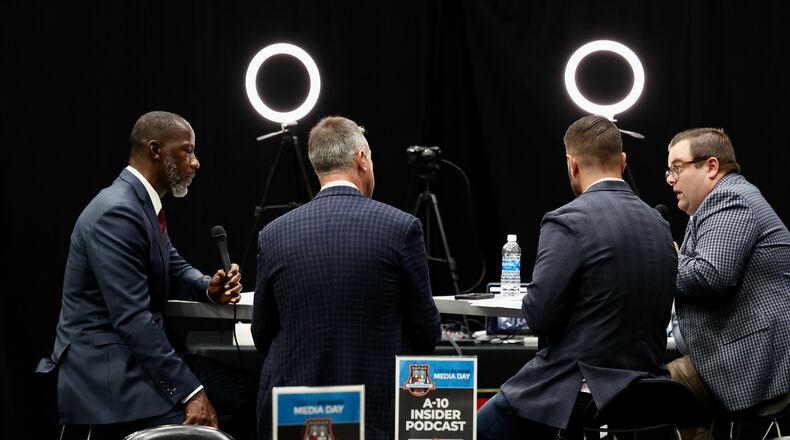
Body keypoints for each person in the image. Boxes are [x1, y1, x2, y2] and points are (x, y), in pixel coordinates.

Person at [36, 111, 256, 440]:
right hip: (110, 374)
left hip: (135, 358)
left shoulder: (140, 202)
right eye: (187, 150)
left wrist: (208, 288)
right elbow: (133, 319)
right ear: (156, 150)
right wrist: (191, 392)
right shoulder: (117, 211)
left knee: (248, 391)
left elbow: (172, 263)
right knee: (212, 411)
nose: (196, 163)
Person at [477, 115, 677, 439]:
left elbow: (540, 315)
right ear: (623, 161)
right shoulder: (659, 225)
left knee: (479, 428)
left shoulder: (567, 221)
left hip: (578, 386)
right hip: (647, 386)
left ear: (571, 164)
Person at [251, 116, 442, 440]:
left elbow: (261, 332)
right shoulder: (400, 227)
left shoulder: (273, 234)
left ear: (318, 166)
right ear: (361, 159)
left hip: (292, 416)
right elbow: (426, 333)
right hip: (377, 413)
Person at [664, 128, 790, 422]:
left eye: (677, 168)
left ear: (710, 166)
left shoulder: (730, 198)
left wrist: (662, 260)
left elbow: (709, 277)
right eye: (669, 171)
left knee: (643, 400)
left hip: (755, 361)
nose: (671, 179)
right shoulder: (718, 203)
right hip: (734, 354)